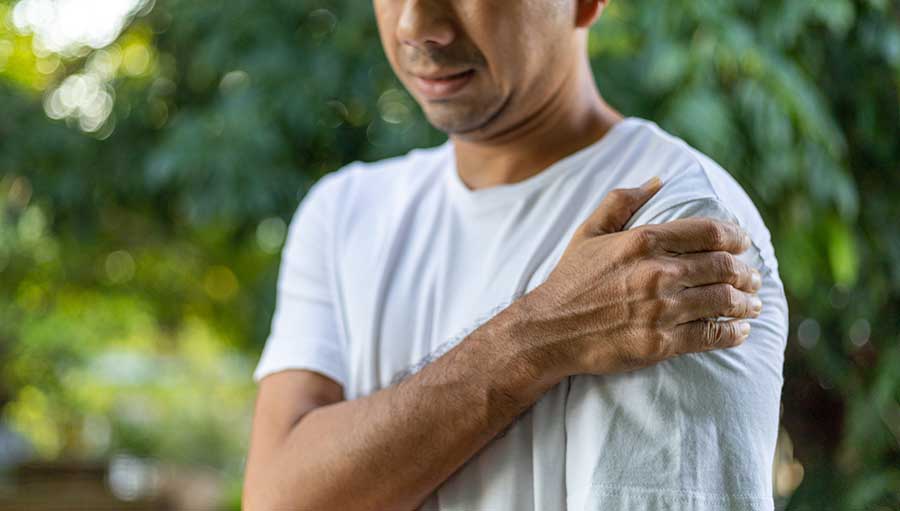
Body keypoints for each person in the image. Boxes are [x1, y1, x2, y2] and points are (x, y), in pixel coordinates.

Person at [242, 1, 788, 510]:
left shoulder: (670, 221)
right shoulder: (344, 212)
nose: (416, 26)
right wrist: (537, 335)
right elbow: (276, 497)